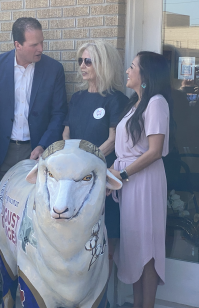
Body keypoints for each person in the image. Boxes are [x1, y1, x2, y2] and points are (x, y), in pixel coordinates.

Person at [0, 17, 68, 307]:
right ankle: (2, 284)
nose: (40, 48)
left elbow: (59, 114)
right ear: (17, 44)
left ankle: (33, 287)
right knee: (2, 223)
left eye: (42, 42)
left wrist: (43, 145)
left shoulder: (53, 70)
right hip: (2, 156)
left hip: (37, 156)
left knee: (38, 223)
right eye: (34, 44)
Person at [109, 52, 171, 308]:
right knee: (134, 246)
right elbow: (125, 149)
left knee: (147, 249)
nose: (127, 71)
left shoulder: (156, 103)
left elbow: (154, 151)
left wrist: (122, 174)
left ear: (144, 75)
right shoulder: (135, 104)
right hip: (129, 182)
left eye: (132, 67)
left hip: (145, 183)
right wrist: (111, 173)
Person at [63, 40, 128, 277]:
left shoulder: (116, 99)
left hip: (101, 179)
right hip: (77, 181)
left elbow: (113, 140)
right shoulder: (78, 97)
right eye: (80, 61)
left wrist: (86, 163)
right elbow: (66, 132)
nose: (82, 65)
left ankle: (104, 297)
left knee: (104, 244)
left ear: (103, 64)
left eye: (88, 61)